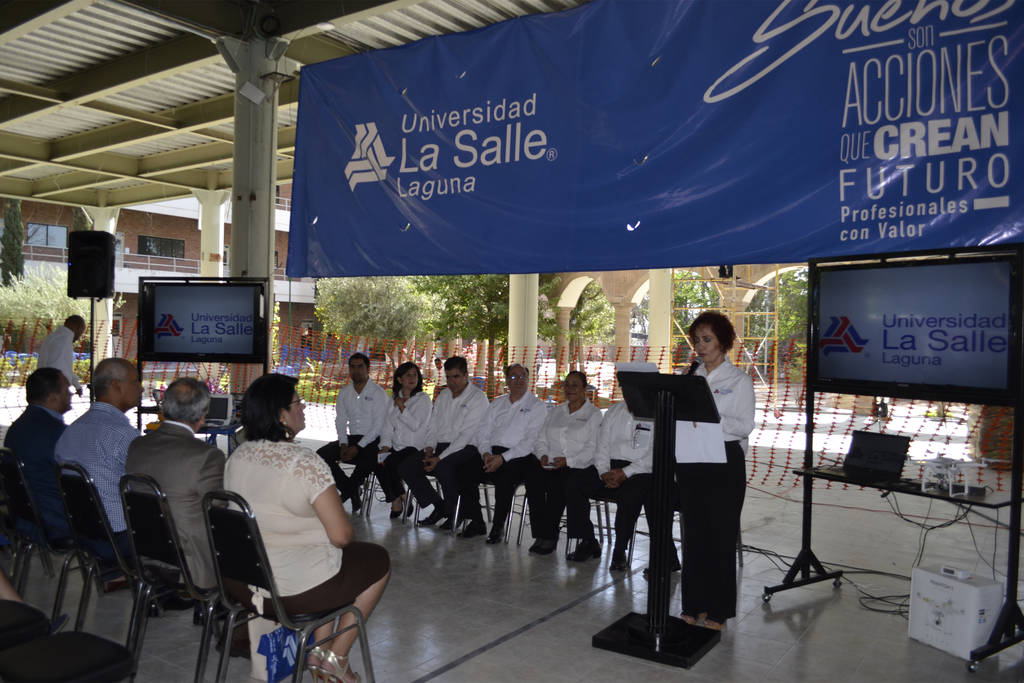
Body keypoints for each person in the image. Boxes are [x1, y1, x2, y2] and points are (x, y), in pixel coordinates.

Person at [224, 374, 390, 683]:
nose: (304, 408)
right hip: (292, 590)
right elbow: (342, 536)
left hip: (246, 582)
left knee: (322, 555)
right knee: (376, 560)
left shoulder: (237, 456)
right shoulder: (304, 462)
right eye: (297, 403)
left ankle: (319, 652)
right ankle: (334, 658)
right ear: (280, 415)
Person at [676, 311, 755, 631]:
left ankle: (719, 610)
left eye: (707, 339)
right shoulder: (690, 377)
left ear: (723, 341)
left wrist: (710, 418)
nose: (700, 346)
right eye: (696, 340)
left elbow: (744, 426)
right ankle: (692, 605)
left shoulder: (739, 381)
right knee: (693, 537)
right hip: (692, 461)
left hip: (724, 463)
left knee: (720, 537)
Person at [125, 377, 225, 589]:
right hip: (190, 563)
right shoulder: (206, 456)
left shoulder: (137, 445)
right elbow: (218, 509)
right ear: (202, 414)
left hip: (146, 552)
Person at [564, 362, 657, 569]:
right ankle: (588, 541)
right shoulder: (614, 411)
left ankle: (619, 550)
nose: (629, 393)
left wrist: (625, 472)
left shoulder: (657, 412)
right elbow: (601, 445)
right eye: (625, 388)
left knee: (631, 495)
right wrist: (604, 471)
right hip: (608, 467)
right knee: (575, 483)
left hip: (640, 470)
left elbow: (655, 455)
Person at [54, 357, 142, 560]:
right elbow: (146, 487)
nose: (141, 388)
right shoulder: (123, 435)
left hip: (84, 533)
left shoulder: (70, 431)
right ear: (116, 386)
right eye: (135, 381)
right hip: (121, 537)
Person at [398, 356, 488, 536]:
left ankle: (457, 512)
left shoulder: (478, 398)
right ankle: (441, 506)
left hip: (466, 448)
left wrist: (439, 458)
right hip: (440, 446)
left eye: (455, 377)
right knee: (407, 467)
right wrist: (430, 448)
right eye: (447, 377)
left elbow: (465, 436)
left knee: (445, 467)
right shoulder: (444, 395)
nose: (451, 382)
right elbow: (433, 426)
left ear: (466, 375)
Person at [526, 370, 602, 556]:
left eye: (575, 385)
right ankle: (542, 533)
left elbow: (593, 448)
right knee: (532, 477)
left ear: (585, 388)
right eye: (566, 384)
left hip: (579, 465)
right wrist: (543, 454)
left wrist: (568, 461)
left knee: (563, 484)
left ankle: (573, 538)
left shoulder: (594, 414)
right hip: (551, 462)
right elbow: (541, 437)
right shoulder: (556, 411)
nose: (569, 389)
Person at [469, 363, 547, 544]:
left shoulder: (537, 406)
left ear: (528, 380)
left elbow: (530, 441)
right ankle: (476, 520)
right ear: (506, 380)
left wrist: (503, 459)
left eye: (522, 377)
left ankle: (498, 526)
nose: (518, 380)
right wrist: (486, 453)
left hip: (520, 456)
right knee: (465, 470)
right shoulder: (497, 403)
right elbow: (483, 432)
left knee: (506, 477)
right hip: (492, 452)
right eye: (513, 376)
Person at [3, 367, 73, 541]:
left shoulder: (16, 428)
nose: (71, 394)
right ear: (52, 397)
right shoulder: (57, 434)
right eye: (66, 390)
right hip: (54, 519)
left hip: (25, 515)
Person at [327, 352, 393, 513]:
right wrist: (343, 444)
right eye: (352, 367)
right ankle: (352, 491)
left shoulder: (378, 393)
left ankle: (347, 493)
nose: (356, 371)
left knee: (369, 459)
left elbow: (378, 426)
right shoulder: (344, 393)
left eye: (360, 367)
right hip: (351, 438)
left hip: (373, 439)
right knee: (321, 455)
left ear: (368, 369)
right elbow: (340, 420)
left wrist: (357, 447)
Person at [377, 362, 431, 519]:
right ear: (399, 379)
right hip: (396, 446)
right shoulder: (394, 399)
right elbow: (386, 426)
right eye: (408, 375)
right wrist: (385, 446)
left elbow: (415, 426)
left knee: (393, 464)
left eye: (415, 374)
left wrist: (402, 408)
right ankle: (398, 500)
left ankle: (403, 499)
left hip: (415, 447)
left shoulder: (423, 399)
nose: (412, 378)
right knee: (378, 463)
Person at [37, 315, 86, 396]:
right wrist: (62, 391)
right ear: (79, 328)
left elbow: (65, 367)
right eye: (80, 333)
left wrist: (76, 385)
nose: (78, 338)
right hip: (54, 392)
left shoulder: (52, 337)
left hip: (46, 387)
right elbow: (56, 368)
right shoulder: (64, 340)